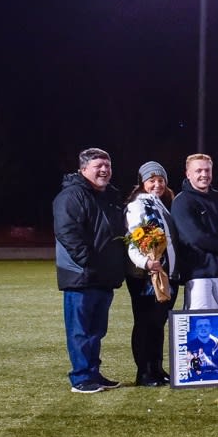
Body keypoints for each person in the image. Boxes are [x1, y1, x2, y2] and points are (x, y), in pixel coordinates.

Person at [55, 147, 128, 393]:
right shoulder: (71, 196)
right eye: (99, 166)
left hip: (104, 277)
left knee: (96, 330)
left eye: (107, 166)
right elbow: (67, 232)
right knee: (80, 330)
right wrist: (88, 261)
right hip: (81, 276)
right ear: (83, 169)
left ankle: (93, 373)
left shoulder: (110, 196)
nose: (105, 170)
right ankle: (81, 377)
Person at [123, 161, 181, 387]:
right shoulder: (138, 204)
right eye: (151, 180)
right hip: (145, 276)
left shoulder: (162, 203)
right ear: (142, 183)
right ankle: (144, 372)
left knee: (158, 323)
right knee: (145, 323)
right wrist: (146, 263)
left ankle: (156, 368)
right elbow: (133, 239)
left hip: (165, 274)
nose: (157, 184)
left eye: (161, 180)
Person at [172, 153, 218, 312]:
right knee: (200, 324)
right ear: (188, 174)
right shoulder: (182, 201)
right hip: (198, 274)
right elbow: (196, 238)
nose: (204, 175)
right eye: (198, 171)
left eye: (207, 170)